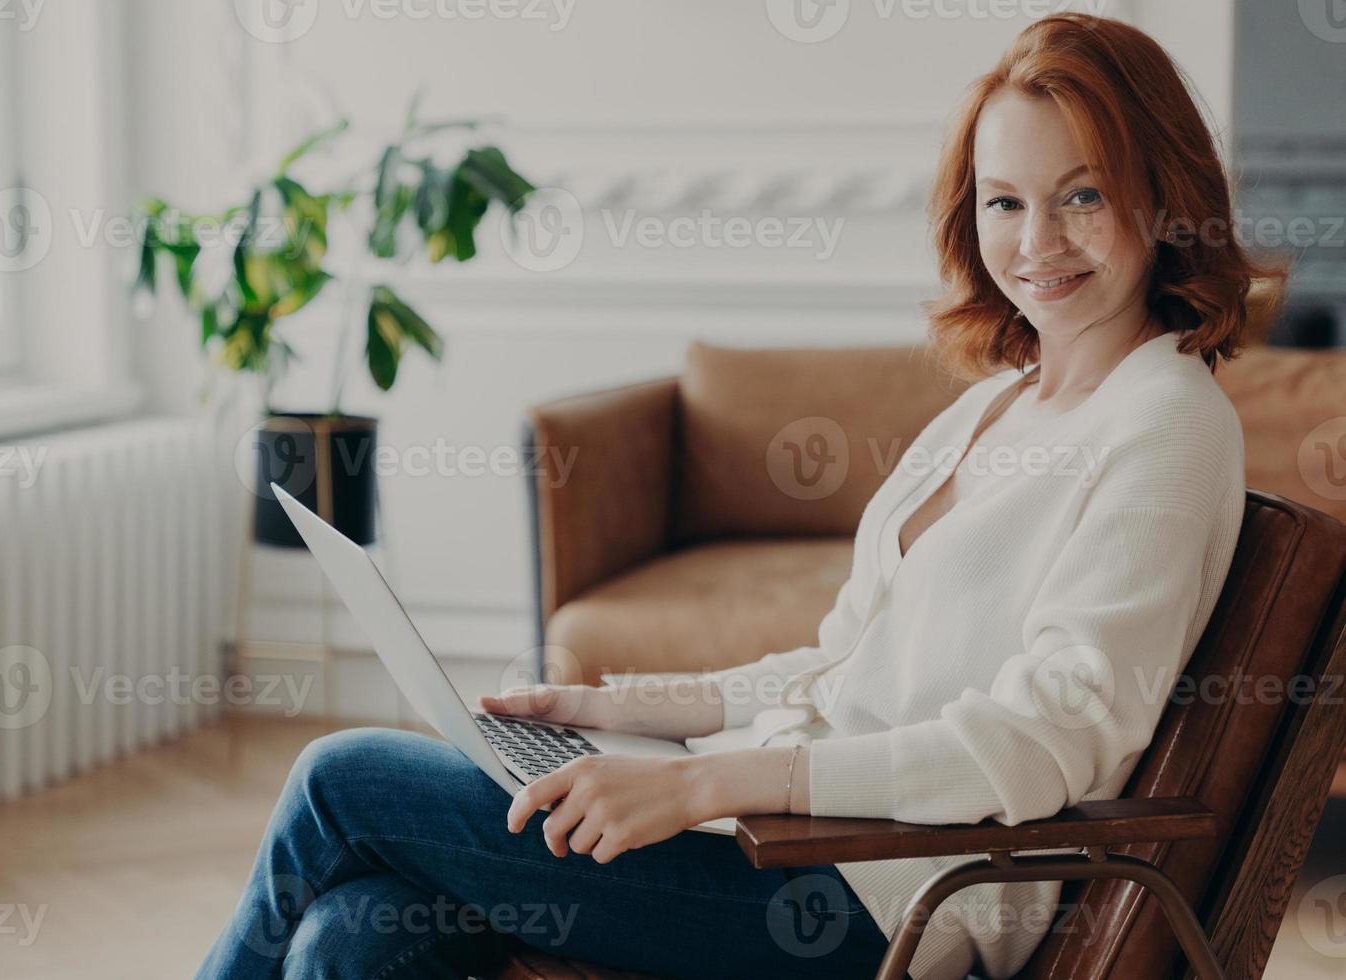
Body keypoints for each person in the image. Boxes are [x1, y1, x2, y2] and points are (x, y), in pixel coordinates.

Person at [198, 14, 1282, 980]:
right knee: (357, 930)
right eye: (1006, 200)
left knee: (342, 776)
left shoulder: (1165, 426)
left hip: (874, 895)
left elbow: (1049, 739)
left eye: (1081, 195)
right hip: (784, 839)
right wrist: (616, 706)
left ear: (1164, 196)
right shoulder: (998, 404)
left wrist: (706, 787)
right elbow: (840, 662)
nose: (1036, 242)